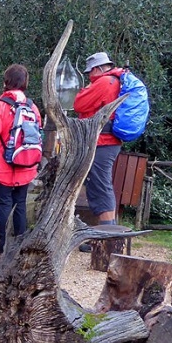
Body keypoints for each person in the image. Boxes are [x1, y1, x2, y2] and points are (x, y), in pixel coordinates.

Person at [0, 64, 42, 254]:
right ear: (25, 82)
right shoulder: (33, 107)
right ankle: (20, 247)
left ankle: (4, 249)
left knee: (4, 205)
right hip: (26, 165)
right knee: (20, 204)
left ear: (6, 81)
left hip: (1, 166)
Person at [74, 52, 125, 252]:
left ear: (97, 68)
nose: (89, 77)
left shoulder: (104, 83)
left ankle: (106, 239)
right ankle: (106, 235)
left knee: (100, 186)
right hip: (107, 142)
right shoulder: (114, 81)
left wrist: (85, 90)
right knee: (100, 185)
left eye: (90, 72)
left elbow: (78, 104)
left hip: (103, 142)